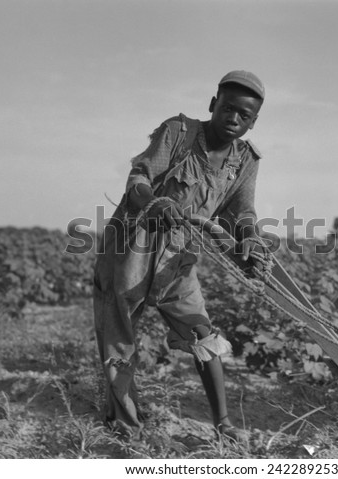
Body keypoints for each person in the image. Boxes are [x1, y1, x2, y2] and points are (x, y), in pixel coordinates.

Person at [93, 70, 267, 441]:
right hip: (133, 246)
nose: (234, 119)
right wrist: (154, 202)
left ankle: (223, 424)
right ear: (213, 104)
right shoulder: (178, 132)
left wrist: (250, 237)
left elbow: (243, 211)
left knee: (202, 334)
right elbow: (139, 178)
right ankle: (125, 426)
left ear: (253, 122)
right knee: (119, 335)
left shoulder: (246, 160)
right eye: (228, 108)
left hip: (179, 256)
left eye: (244, 115)